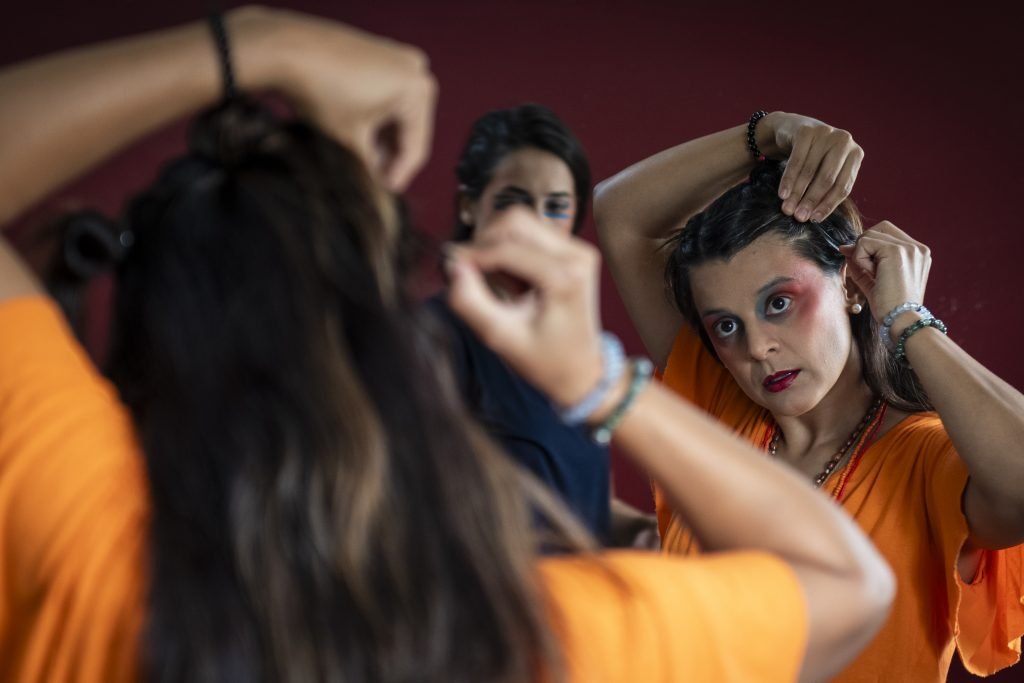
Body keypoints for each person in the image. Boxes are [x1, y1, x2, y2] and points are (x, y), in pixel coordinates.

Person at [0, 11, 894, 682]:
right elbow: (846, 582)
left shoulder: (73, 546)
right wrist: (598, 378)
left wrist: (258, 41)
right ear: (402, 348)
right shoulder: (527, 639)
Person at [594, 110, 1024, 681]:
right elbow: (619, 213)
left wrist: (906, 320)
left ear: (850, 285)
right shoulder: (714, 410)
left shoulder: (925, 461)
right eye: (725, 326)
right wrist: (769, 132)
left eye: (779, 303)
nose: (757, 347)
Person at [427, 103, 651, 544]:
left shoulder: (583, 347)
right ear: (470, 207)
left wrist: (643, 531)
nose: (534, 222)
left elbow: (587, 505)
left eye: (556, 206)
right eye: (513, 201)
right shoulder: (431, 337)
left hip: (581, 604)